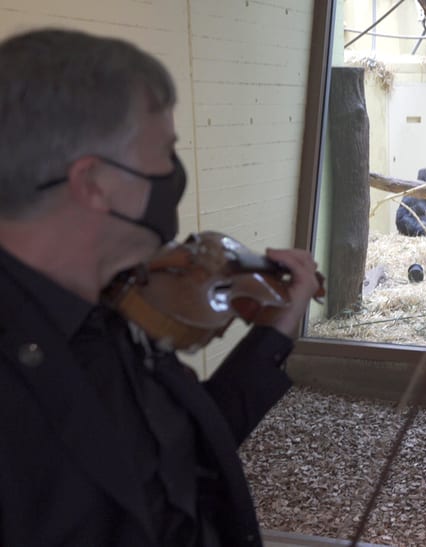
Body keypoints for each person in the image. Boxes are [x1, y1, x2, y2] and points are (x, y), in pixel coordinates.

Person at [0, 29, 321, 546]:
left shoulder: (114, 305)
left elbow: (180, 456)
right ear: (95, 183)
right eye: (165, 155)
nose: (175, 176)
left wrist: (274, 332)